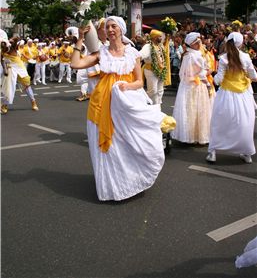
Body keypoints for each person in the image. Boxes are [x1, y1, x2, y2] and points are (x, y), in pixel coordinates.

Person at [71, 16, 174, 201]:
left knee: (126, 143)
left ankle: (129, 180)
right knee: (107, 149)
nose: (110, 30)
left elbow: (139, 81)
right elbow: (75, 64)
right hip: (101, 104)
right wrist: (79, 39)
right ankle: (111, 187)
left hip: (125, 104)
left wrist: (126, 86)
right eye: (108, 27)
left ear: (121, 30)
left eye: (114, 26)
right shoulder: (101, 53)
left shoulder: (132, 53)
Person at [206, 32, 257, 164]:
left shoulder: (223, 58)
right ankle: (247, 153)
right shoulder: (246, 57)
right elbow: (254, 76)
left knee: (219, 122)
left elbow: (218, 80)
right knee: (245, 124)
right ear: (240, 43)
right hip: (243, 96)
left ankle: (212, 152)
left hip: (226, 95)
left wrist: (211, 77)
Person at [171, 32, 211, 144]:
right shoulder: (189, 56)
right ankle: (189, 136)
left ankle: (198, 135)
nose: (199, 44)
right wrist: (204, 75)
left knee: (199, 110)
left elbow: (205, 67)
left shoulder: (198, 54)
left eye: (199, 42)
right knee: (191, 109)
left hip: (198, 85)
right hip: (192, 86)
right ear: (191, 44)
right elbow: (186, 74)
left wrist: (205, 73)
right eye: (196, 43)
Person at [1, 37, 39, 114]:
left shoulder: (12, 48)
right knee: (9, 87)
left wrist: (11, 39)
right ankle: (5, 105)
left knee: (27, 85)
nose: (2, 44)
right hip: (10, 68)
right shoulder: (1, 51)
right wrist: (5, 69)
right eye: (1, 43)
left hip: (19, 67)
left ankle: (33, 101)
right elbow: (2, 61)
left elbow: (16, 39)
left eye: (3, 43)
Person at [139, 29, 169, 107]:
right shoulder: (148, 46)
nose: (161, 38)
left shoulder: (160, 46)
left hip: (160, 70)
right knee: (153, 91)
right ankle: (148, 106)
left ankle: (158, 108)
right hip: (150, 70)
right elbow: (141, 55)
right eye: (159, 36)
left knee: (160, 91)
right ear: (154, 37)